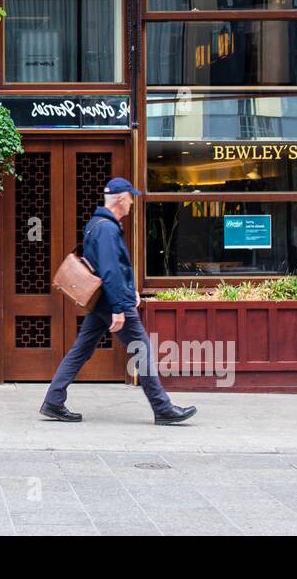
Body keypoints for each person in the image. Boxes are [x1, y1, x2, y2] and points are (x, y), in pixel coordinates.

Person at [40, 177, 197, 426]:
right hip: (112, 302)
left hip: (104, 300)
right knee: (142, 348)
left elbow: (114, 268)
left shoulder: (97, 224)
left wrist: (131, 290)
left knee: (81, 349)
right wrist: (119, 308)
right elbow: (111, 270)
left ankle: (54, 400)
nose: (133, 203)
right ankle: (162, 407)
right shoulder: (107, 229)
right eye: (131, 198)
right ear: (121, 199)